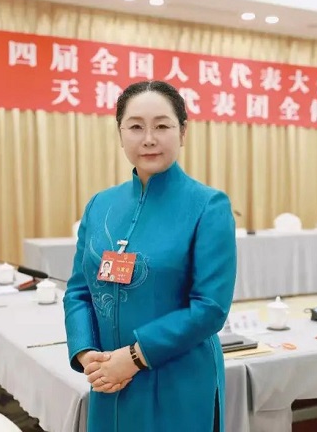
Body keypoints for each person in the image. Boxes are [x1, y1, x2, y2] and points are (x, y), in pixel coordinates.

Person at [63, 80, 237, 432]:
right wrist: (87, 353)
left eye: (162, 126)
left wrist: (132, 358)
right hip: (109, 378)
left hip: (178, 378)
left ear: (183, 132)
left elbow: (210, 308)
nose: (148, 139)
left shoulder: (208, 206)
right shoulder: (101, 205)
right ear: (120, 133)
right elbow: (78, 291)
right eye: (135, 127)